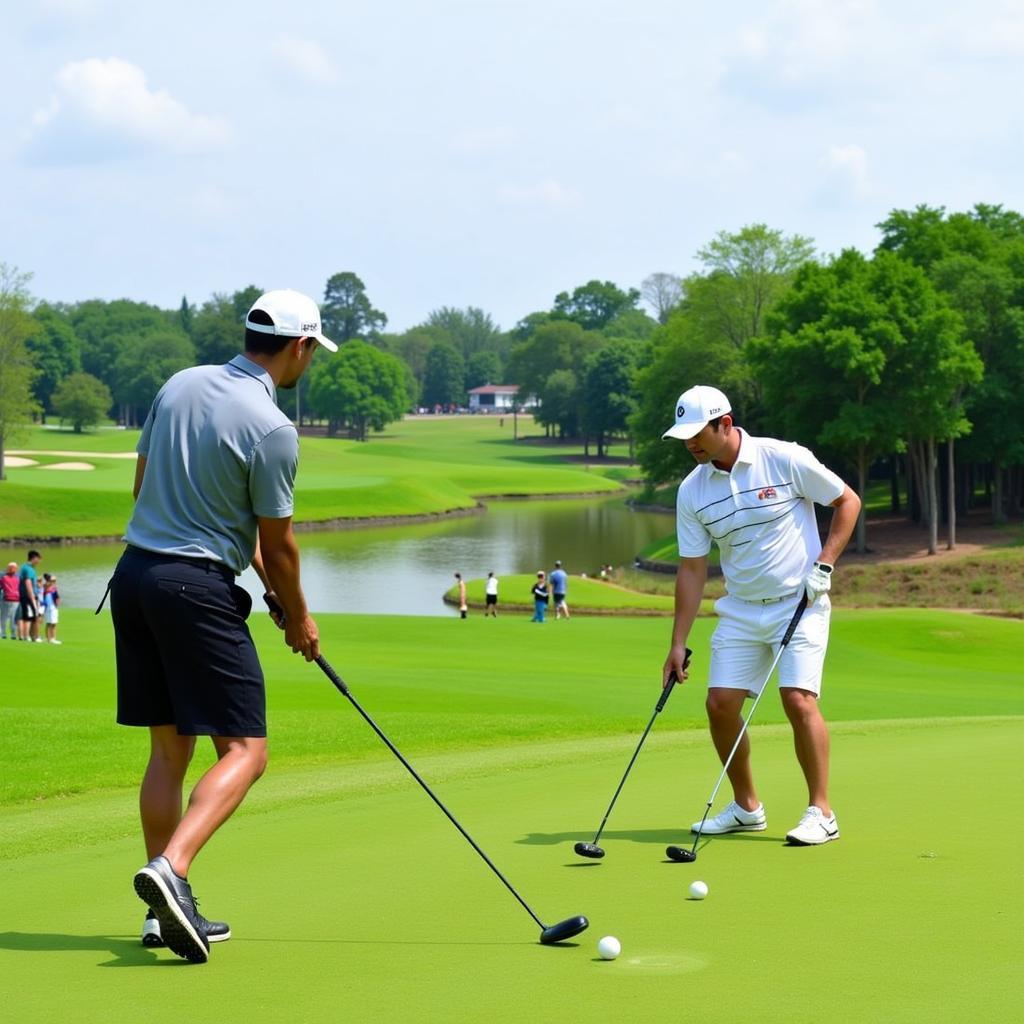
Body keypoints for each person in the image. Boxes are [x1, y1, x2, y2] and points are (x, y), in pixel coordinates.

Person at [109, 288, 337, 963]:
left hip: (134, 577)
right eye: (312, 352)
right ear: (298, 348)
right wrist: (298, 617)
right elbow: (282, 541)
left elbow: (144, 488)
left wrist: (266, 587)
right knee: (246, 751)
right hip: (195, 589)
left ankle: (162, 913)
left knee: (168, 752)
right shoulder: (272, 427)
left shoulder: (179, 385)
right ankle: (171, 871)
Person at [660, 385, 861, 847]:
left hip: (801, 603)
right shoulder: (692, 490)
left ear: (724, 424)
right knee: (720, 706)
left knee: (797, 699)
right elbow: (693, 569)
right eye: (684, 436)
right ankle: (747, 807)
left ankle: (821, 813)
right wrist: (676, 643)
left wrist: (824, 564)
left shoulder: (783, 458)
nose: (691, 444)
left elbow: (847, 502)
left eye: (698, 434)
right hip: (741, 611)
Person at [18, 550, 42, 642]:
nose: (39, 562)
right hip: (29, 597)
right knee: (32, 617)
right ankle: (33, 636)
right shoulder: (28, 569)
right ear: (34, 558)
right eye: (39, 559)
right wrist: (33, 599)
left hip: (28, 597)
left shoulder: (27, 567)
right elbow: (28, 584)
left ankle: (33, 636)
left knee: (33, 617)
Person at [1, 562, 19, 639]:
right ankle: (13, 634)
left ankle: (3, 633)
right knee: (13, 617)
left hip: (7, 598)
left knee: (4, 617)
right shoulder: (17, 578)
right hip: (16, 599)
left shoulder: (3, 578)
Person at [43, 575, 61, 644]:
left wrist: (58, 601)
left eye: (54, 581)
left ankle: (52, 638)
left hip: (54, 607)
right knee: (49, 623)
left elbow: (57, 596)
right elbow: (46, 587)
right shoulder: (46, 587)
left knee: (54, 623)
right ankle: (49, 638)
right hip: (48, 607)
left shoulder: (54, 588)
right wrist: (50, 581)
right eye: (52, 581)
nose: (54, 582)